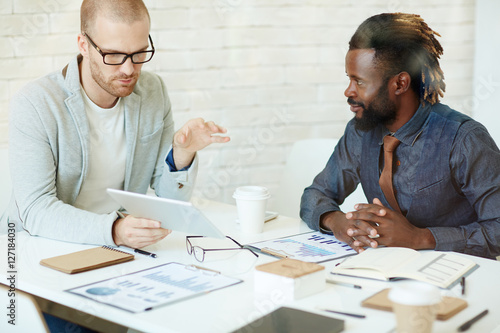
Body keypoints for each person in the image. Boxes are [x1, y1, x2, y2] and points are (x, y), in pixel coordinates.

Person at [5, 0, 229, 249]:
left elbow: (170, 202)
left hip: (117, 249)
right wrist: (114, 231)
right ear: (84, 45)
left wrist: (182, 153)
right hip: (41, 246)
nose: (128, 69)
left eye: (139, 54)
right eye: (114, 55)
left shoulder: (153, 91)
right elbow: (35, 210)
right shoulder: (35, 104)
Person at [300, 13, 500, 259]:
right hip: (384, 269)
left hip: (458, 276)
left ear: (400, 84)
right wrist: (338, 222)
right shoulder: (359, 131)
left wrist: (421, 237)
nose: (348, 91)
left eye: (359, 82)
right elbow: (315, 195)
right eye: (348, 79)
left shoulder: (465, 139)